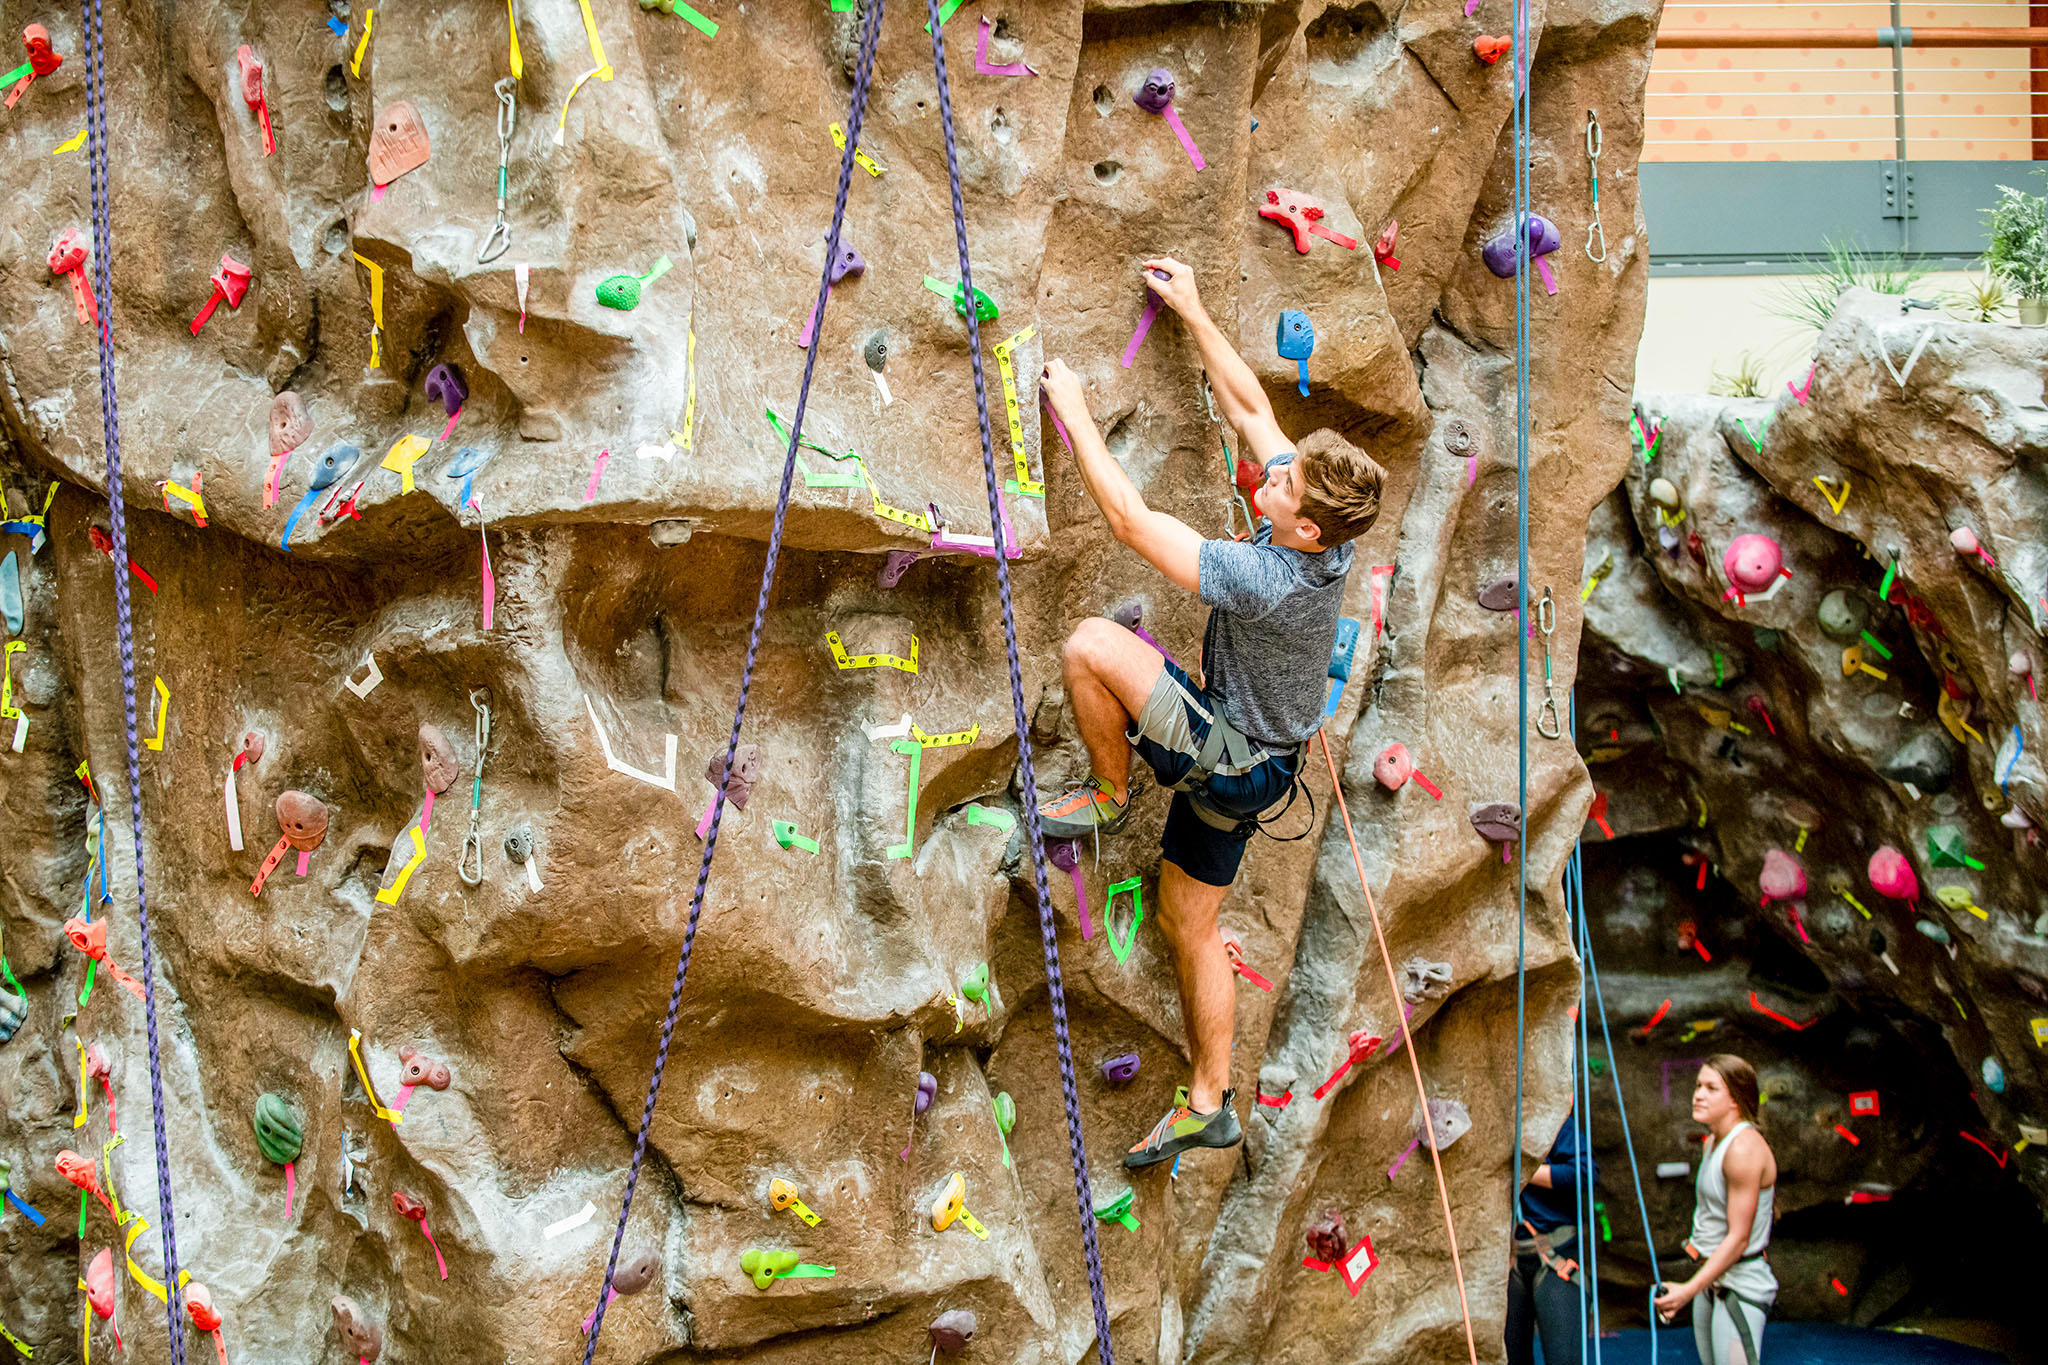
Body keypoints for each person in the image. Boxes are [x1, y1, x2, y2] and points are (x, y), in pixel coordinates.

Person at [1033, 257, 1387, 1170]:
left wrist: (1071, 410)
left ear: (1305, 527)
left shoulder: (1271, 572)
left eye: (1282, 489)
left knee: (1089, 646)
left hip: (1236, 755)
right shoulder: (1318, 529)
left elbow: (1130, 520)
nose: (1266, 478)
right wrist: (1191, 306)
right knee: (1187, 921)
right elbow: (1248, 407)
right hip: (1262, 761)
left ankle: (1110, 796)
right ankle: (1210, 1102)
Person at [1654, 1055, 1778, 1365]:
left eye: (1711, 1088)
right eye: (1698, 1086)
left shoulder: (1743, 1147)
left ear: (1735, 1099)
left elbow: (1738, 1238)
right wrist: (1699, 1285)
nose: (1698, 1094)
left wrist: (1686, 1291)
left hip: (1741, 1282)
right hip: (1712, 1277)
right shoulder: (1713, 1142)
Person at [1506, 1108, 1592, 1365]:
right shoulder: (1493, 1123)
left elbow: (1585, 1173)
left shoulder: (1554, 1122)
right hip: (1510, 1260)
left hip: (1557, 1255)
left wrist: (1522, 1171)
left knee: (1564, 1359)